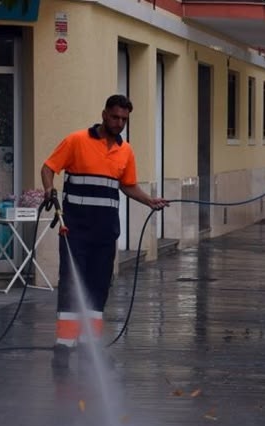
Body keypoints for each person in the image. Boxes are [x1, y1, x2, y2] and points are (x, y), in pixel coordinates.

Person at [41, 94, 168, 369]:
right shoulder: (77, 140)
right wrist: (49, 190)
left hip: (105, 231)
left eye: (124, 119)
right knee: (71, 284)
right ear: (104, 114)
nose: (119, 123)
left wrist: (149, 201)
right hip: (74, 230)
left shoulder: (125, 151)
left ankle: (89, 346)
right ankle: (63, 347)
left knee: (99, 288)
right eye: (115, 117)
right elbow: (48, 168)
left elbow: (128, 184)